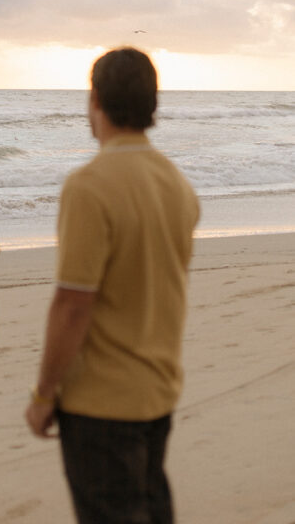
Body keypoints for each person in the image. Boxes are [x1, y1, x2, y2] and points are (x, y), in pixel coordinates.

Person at [25, 48, 199, 524]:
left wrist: (43, 395)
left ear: (95, 99)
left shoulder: (89, 186)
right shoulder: (177, 184)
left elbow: (72, 305)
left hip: (101, 401)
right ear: (151, 103)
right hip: (158, 388)